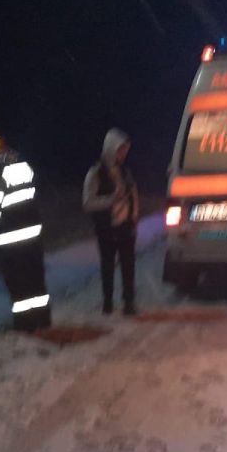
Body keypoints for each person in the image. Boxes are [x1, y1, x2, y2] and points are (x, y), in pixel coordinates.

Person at [0, 132, 51, 331]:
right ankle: (43, 319)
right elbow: (34, 191)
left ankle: (25, 324)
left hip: (11, 238)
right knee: (36, 277)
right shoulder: (22, 163)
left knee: (18, 282)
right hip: (33, 233)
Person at [83, 128, 139, 315]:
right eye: (121, 150)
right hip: (106, 227)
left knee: (128, 265)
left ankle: (129, 302)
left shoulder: (125, 171)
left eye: (126, 150)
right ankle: (108, 301)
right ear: (111, 148)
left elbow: (133, 193)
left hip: (125, 226)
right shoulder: (96, 173)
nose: (124, 154)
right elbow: (88, 203)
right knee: (107, 265)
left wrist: (134, 216)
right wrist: (111, 200)